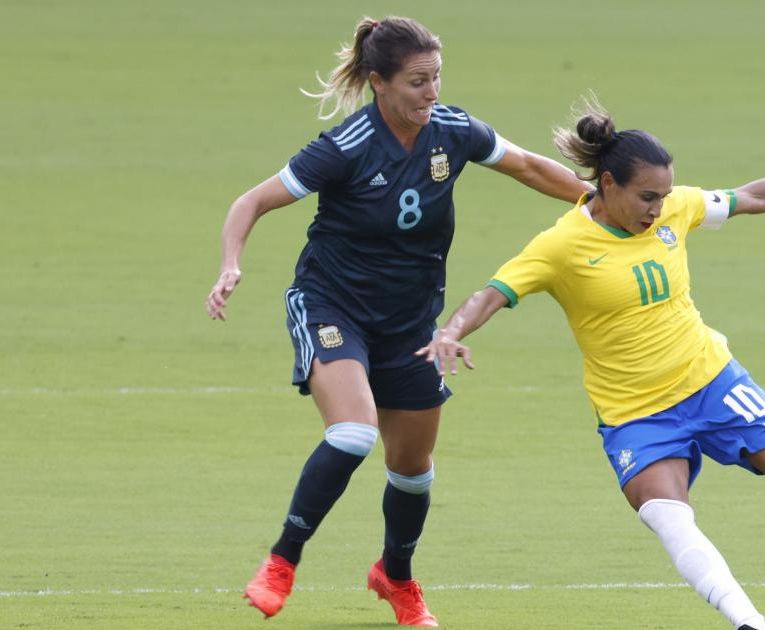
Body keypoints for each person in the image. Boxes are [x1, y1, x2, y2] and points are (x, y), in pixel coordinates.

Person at [417, 101, 765, 630]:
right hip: (635, 415)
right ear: (608, 185)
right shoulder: (561, 245)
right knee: (667, 515)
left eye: (664, 195)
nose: (659, 207)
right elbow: (493, 293)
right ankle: (750, 623)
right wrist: (451, 331)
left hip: (710, 381)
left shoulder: (676, 209)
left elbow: (757, 195)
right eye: (647, 196)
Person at [204, 16, 590, 625]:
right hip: (333, 305)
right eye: (417, 82)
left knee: (412, 472)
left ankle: (396, 576)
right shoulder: (344, 147)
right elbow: (251, 202)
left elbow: (529, 167)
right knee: (353, 434)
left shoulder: (453, 130)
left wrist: (595, 202)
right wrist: (231, 264)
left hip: (411, 322)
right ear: (379, 82)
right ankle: (282, 561)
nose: (431, 93)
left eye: (436, 78)